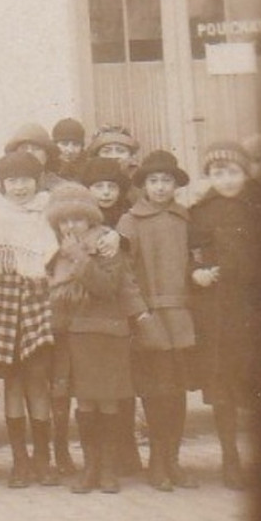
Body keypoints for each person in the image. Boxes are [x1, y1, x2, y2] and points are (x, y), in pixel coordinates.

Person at [46, 183, 146, 494]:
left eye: (77, 218)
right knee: (86, 402)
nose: (70, 226)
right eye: (63, 220)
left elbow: (106, 286)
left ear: (90, 219)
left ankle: (108, 468)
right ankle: (90, 467)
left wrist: (80, 258)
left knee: (108, 402)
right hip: (77, 336)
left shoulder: (106, 244)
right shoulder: (58, 252)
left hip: (107, 334)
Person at [189, 140, 261, 490]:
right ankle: (229, 458)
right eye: (218, 173)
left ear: (245, 172)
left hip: (256, 310)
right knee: (222, 388)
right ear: (208, 177)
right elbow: (189, 254)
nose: (226, 180)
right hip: (218, 312)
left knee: (257, 385)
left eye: (233, 171)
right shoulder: (201, 211)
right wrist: (196, 274)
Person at [117, 149, 198, 491]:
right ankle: (157, 462)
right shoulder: (130, 221)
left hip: (181, 315)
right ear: (143, 185)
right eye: (154, 181)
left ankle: (173, 461)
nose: (161, 187)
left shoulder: (184, 218)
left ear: (175, 185)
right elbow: (124, 273)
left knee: (177, 391)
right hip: (149, 316)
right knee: (156, 392)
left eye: (167, 181)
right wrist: (139, 312)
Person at [0, 150, 59, 487]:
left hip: (39, 294)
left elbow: (56, 249)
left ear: (36, 180)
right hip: (4, 298)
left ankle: (43, 458)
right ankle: (19, 462)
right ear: (3, 183)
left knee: (37, 381)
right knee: (12, 383)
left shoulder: (48, 208)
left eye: (26, 179)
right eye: (12, 180)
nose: (19, 187)